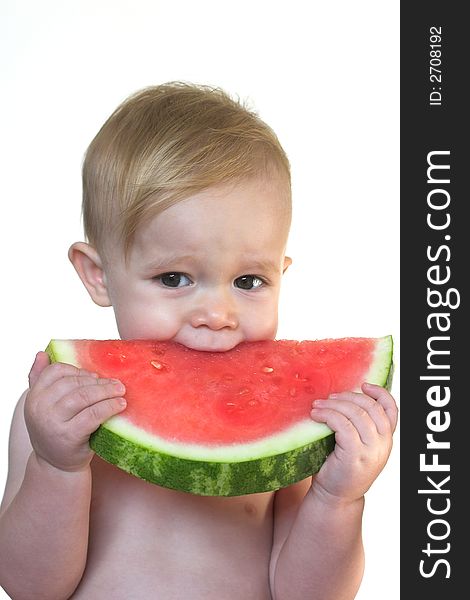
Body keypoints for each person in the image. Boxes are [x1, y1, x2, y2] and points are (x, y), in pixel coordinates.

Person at [0, 82, 398, 600]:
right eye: (174, 279)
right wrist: (56, 465)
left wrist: (339, 498)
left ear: (282, 273)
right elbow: (30, 586)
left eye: (249, 282)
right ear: (98, 275)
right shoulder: (56, 413)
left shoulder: (301, 427)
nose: (217, 314)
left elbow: (308, 594)